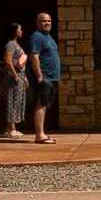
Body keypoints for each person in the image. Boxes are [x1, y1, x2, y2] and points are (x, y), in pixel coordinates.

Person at [26, 10, 63, 142]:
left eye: (48, 20)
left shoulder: (48, 37)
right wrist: (40, 76)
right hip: (45, 77)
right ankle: (39, 135)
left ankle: (42, 133)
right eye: (43, 21)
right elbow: (34, 56)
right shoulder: (37, 37)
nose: (46, 23)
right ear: (37, 23)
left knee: (45, 104)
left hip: (52, 77)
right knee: (41, 104)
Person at [0, 23, 31, 142]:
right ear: (14, 31)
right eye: (19, 29)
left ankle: (12, 127)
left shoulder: (16, 44)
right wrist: (15, 75)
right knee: (12, 100)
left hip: (20, 75)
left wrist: (24, 78)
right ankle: (10, 128)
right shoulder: (10, 44)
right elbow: (8, 61)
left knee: (17, 100)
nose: (21, 31)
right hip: (13, 77)